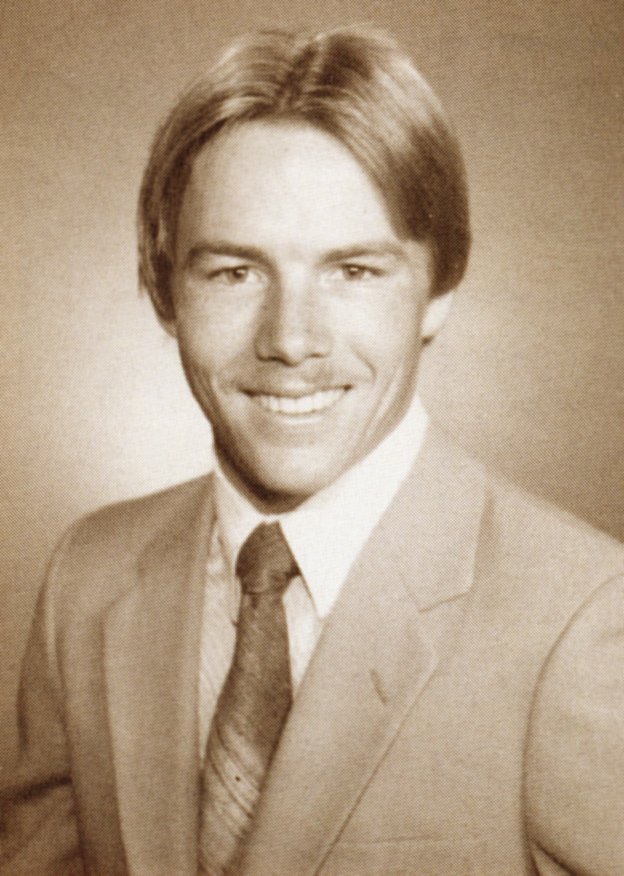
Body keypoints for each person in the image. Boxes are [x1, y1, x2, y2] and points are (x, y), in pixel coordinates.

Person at [1, 25, 623, 876]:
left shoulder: (584, 622)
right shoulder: (89, 577)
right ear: (166, 290)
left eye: (353, 271)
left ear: (439, 289)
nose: (291, 340)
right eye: (235, 273)